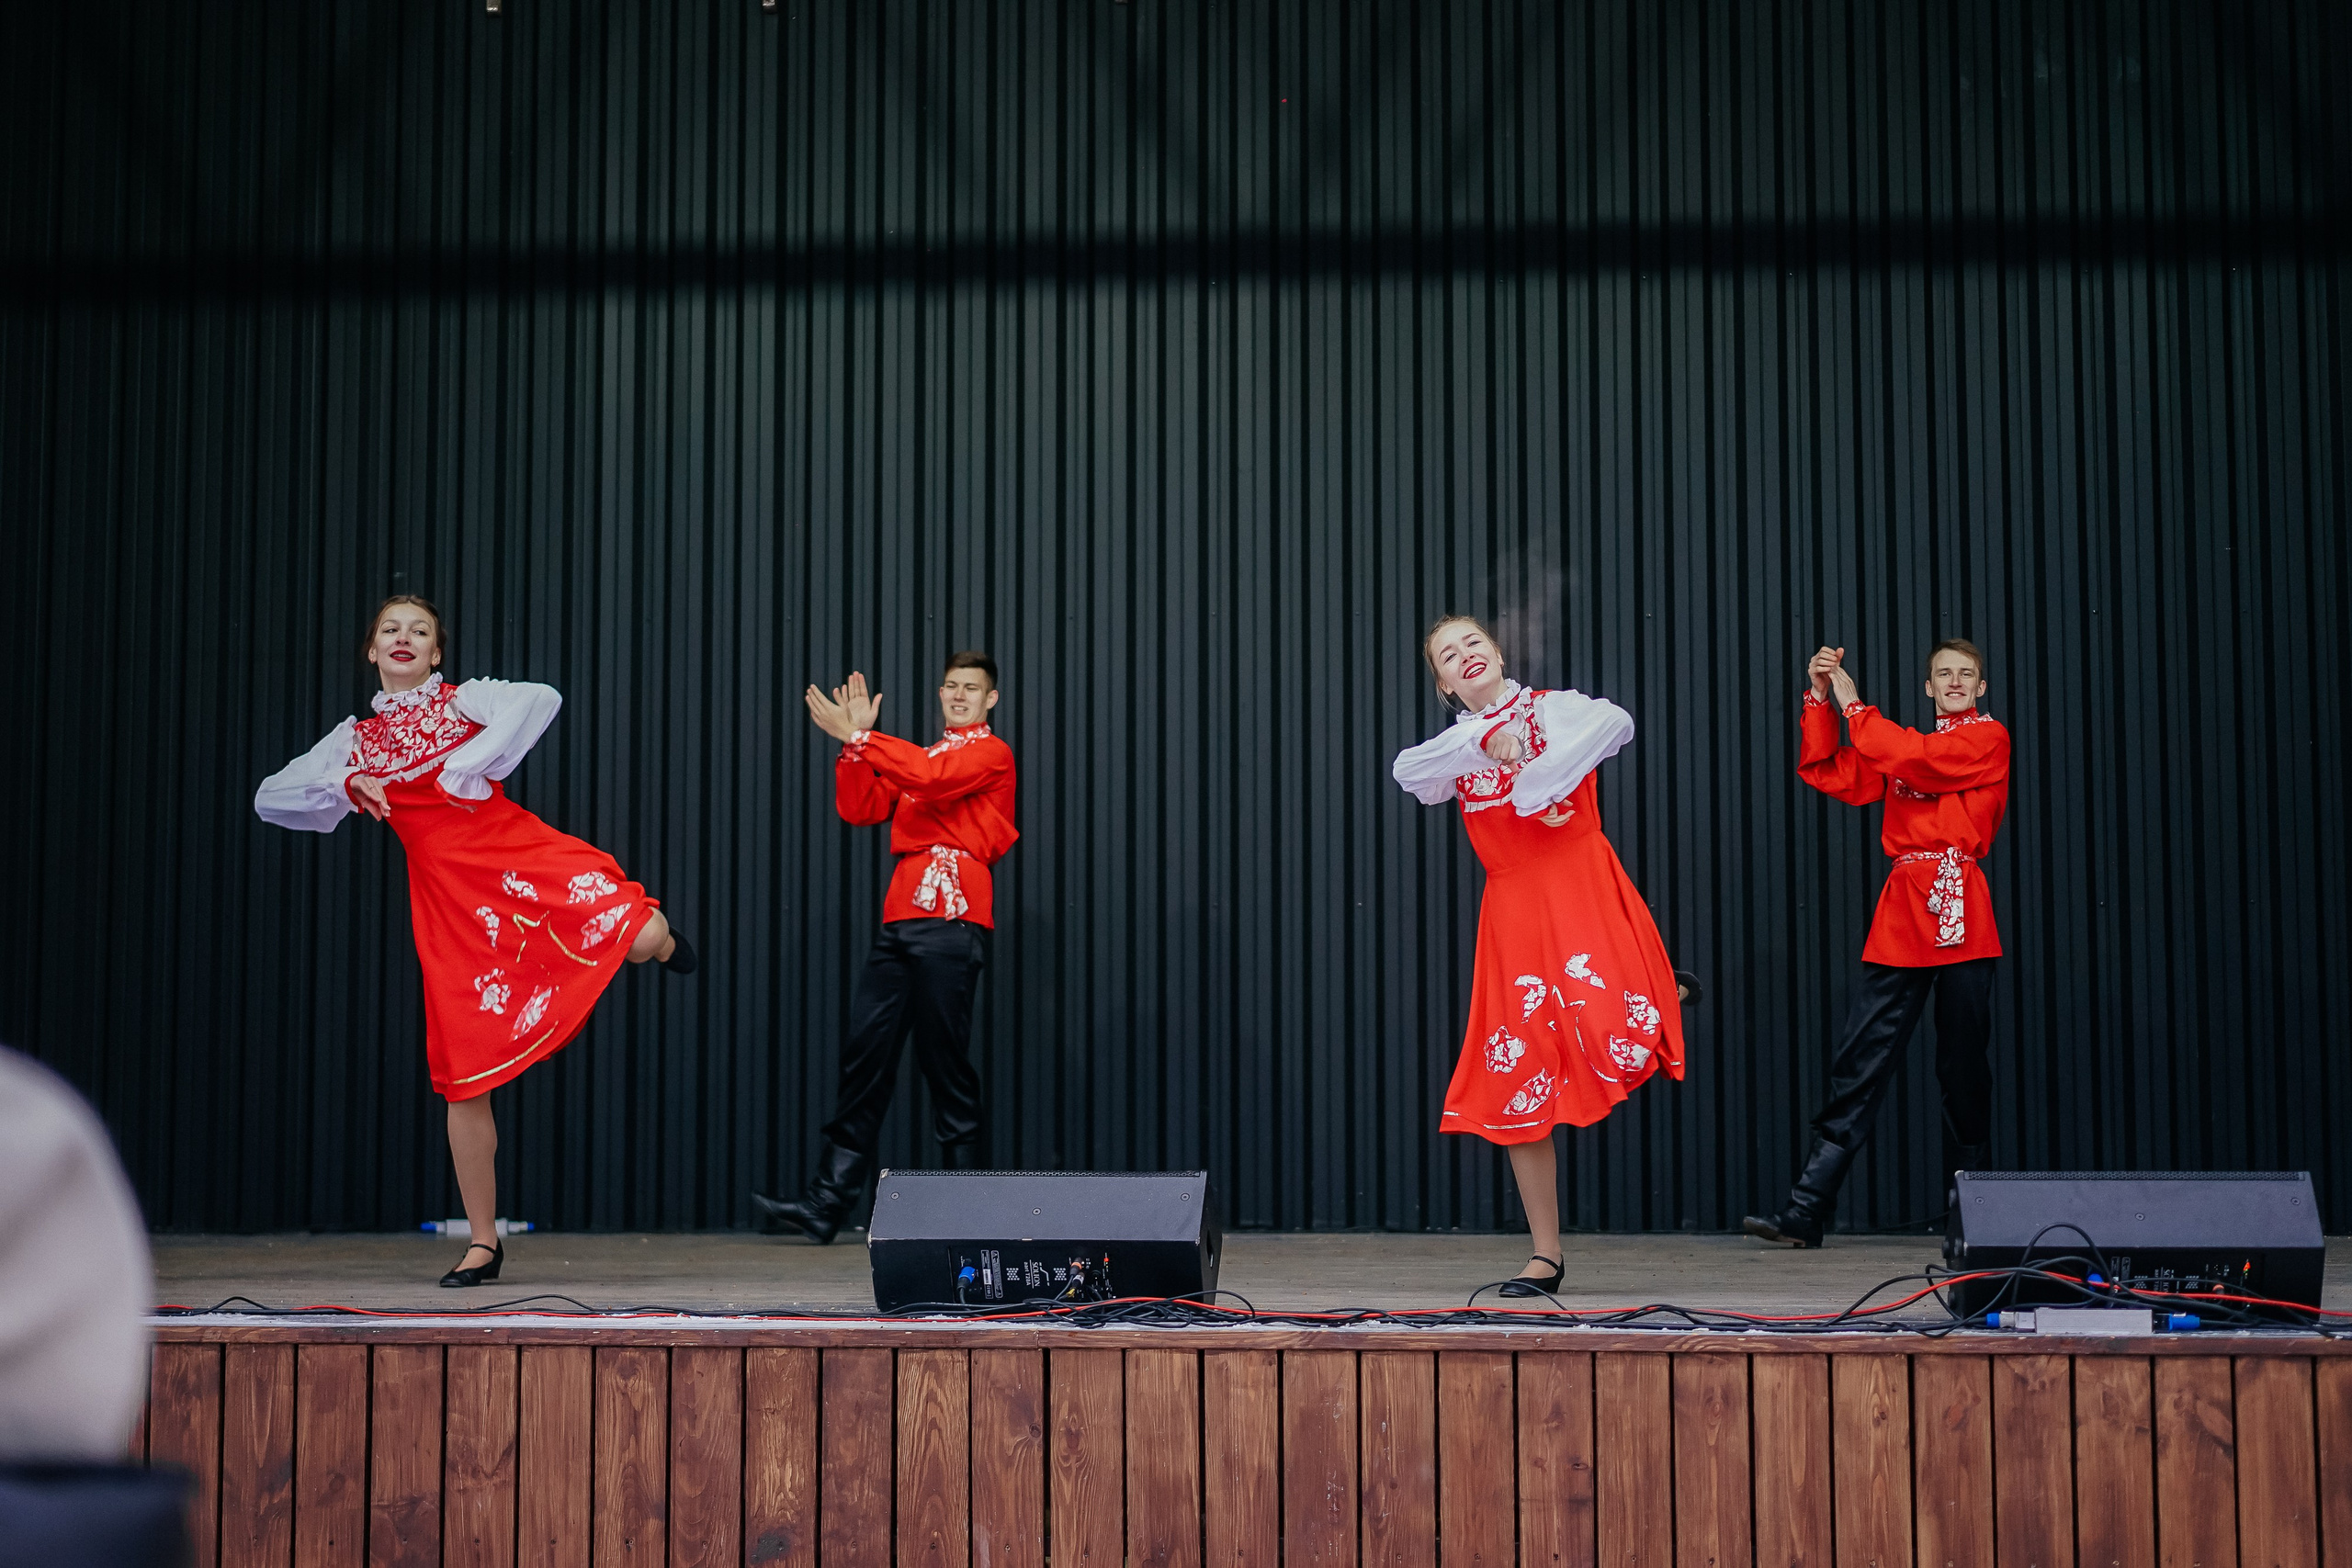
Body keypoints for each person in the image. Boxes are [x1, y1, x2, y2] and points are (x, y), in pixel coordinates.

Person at [254, 596, 695, 1285]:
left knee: (642, 933)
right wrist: (344, 780)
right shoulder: (356, 742)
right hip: (453, 908)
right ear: (371, 650)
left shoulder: (466, 703)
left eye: (419, 631)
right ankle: (484, 1243)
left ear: (436, 653)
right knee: (466, 1080)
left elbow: (538, 698)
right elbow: (270, 795)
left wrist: (471, 762)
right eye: (390, 630)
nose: (404, 639)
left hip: (517, 859)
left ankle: (665, 945)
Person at [1392, 616, 1693, 1297]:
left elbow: (1616, 722)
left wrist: (1541, 768)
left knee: (1608, 1022)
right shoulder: (1455, 745)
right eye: (1449, 654)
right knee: (1519, 1066)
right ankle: (1546, 1253)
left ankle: (1644, 986)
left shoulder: (1554, 708)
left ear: (1497, 652)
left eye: (1473, 643)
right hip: (1515, 912)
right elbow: (1409, 772)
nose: (1465, 656)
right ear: (1443, 683)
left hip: (1578, 884)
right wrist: (1483, 741)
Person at [1743, 639, 2008, 1247]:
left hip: (1960, 906)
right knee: (1860, 1060)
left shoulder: (1986, 739)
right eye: (1944, 673)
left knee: (1964, 1066)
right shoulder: (1903, 747)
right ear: (1929, 686)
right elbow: (1828, 770)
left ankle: (1977, 1216)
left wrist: (1854, 701)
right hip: (1903, 909)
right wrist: (1818, 696)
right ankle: (1806, 1208)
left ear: (1981, 687)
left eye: (1967, 673)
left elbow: (1911, 754)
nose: (1956, 681)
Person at [754, 652, 1018, 1244]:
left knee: (945, 1064)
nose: (958, 696)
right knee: (864, 1058)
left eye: (971, 689)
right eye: (950, 685)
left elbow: (928, 781)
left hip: (951, 919)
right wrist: (853, 750)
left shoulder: (988, 754)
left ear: (990, 700)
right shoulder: (920, 758)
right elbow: (861, 807)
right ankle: (827, 1203)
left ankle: (965, 1212)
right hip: (902, 917)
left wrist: (864, 736)